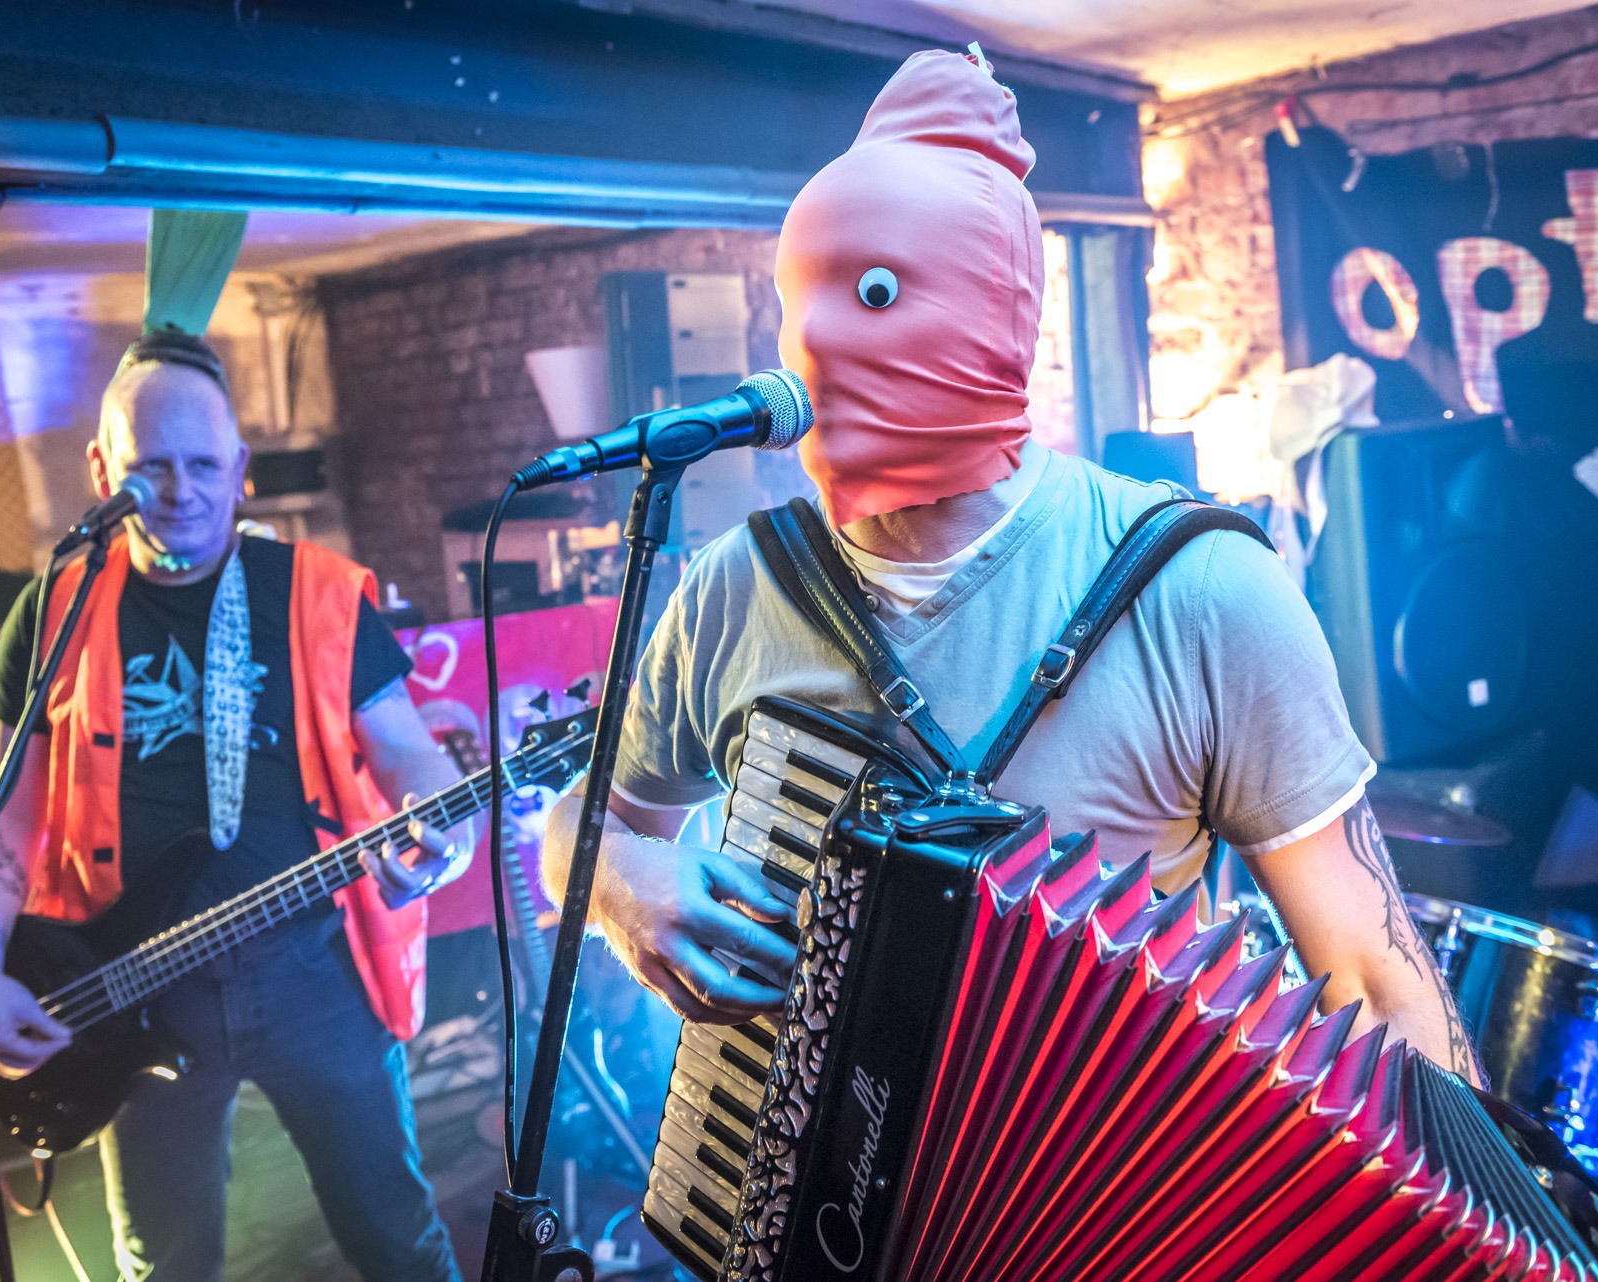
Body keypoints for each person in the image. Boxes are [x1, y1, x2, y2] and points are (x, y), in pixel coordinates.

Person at [541, 49, 1481, 1085]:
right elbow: (587, 819)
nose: (813, 343)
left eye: (872, 293)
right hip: (780, 1172)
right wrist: (618, 884)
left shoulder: (1203, 588)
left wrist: (1488, 1189)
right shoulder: (733, 588)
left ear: (994, 315)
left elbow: (1378, 983)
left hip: (1106, 1171)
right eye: (794, 302)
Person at [0, 331, 467, 1282]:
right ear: (102, 470)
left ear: (240, 471)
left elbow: (410, 756)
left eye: (203, 466)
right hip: (128, 985)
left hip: (313, 971)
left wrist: (439, 831)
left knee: (396, 1239)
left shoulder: (316, 594)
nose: (180, 490)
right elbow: (4, 824)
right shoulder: (54, 609)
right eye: (151, 466)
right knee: (165, 1263)